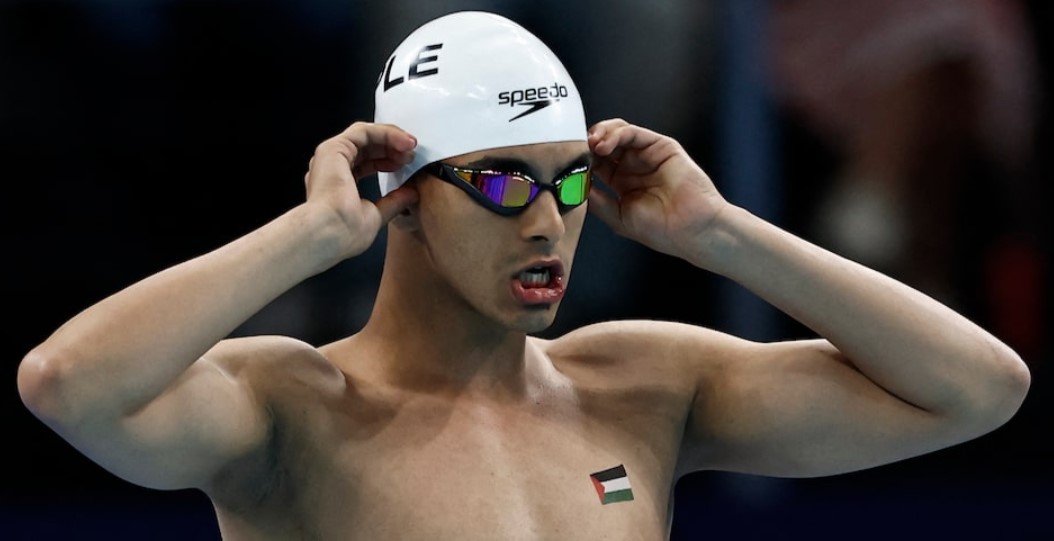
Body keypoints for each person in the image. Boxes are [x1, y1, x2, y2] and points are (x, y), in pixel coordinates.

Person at [17, 10, 1030, 540]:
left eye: (572, 180)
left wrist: (722, 233)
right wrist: (313, 232)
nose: (548, 223)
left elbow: (979, 388)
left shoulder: (640, 387)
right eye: (503, 182)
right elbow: (67, 382)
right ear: (400, 191)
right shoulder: (291, 409)